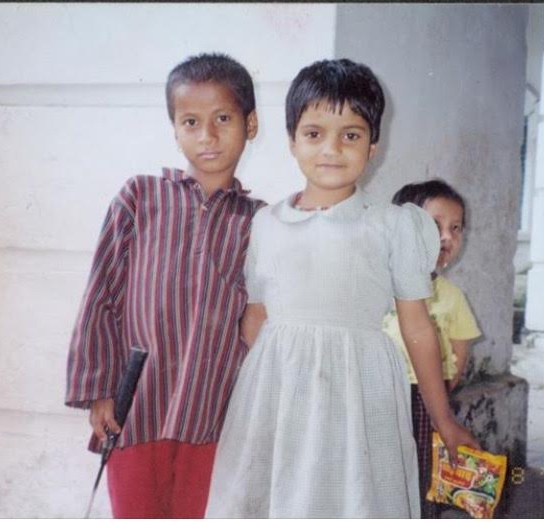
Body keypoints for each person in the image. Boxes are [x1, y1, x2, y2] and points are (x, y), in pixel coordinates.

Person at [205, 58, 477, 518]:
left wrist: (443, 417)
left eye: (350, 134)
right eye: (314, 133)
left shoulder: (393, 225)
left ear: (373, 146)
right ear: (292, 141)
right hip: (280, 391)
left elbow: (417, 327)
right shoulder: (267, 223)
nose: (331, 149)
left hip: (358, 391)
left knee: (349, 498)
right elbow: (256, 320)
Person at [64, 52, 262, 518]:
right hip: (136, 406)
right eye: (191, 122)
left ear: (250, 124)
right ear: (175, 130)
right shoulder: (140, 196)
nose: (207, 135)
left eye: (223, 119)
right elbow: (101, 294)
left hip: (214, 411)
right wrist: (99, 387)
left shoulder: (260, 222)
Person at [383, 179, 482, 518]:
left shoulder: (452, 297)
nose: (447, 236)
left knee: (422, 468)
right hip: (378, 391)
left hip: (425, 397)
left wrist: (442, 388)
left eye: (456, 228)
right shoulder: (378, 286)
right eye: (435, 225)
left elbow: (459, 352)